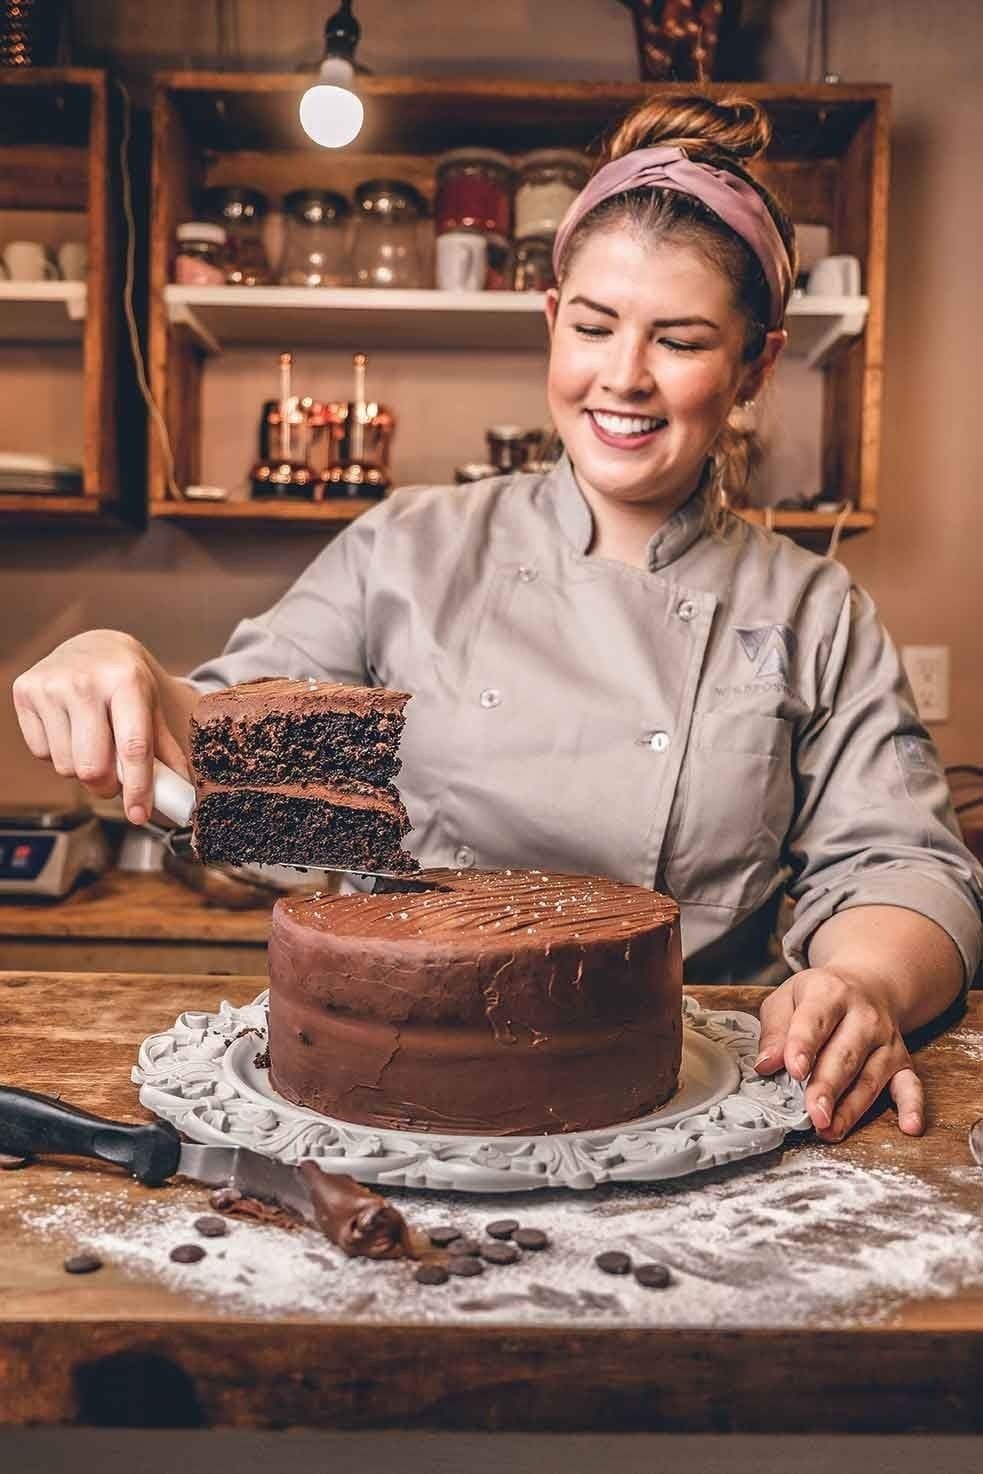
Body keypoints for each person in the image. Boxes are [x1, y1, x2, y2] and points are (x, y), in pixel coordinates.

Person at [13, 96, 981, 1150]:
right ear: (549, 321)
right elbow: (240, 745)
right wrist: (128, 672)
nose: (623, 376)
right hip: (401, 1102)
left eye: (682, 340)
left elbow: (902, 864)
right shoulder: (409, 547)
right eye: (594, 326)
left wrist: (857, 981)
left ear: (753, 366)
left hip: (689, 1099)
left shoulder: (811, 605)